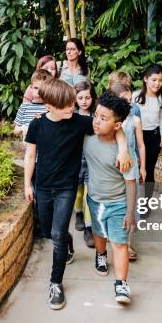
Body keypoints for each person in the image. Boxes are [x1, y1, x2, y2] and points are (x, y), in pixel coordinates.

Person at [24, 78, 131, 310]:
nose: (70, 108)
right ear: (49, 106)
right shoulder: (37, 125)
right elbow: (30, 156)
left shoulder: (79, 122)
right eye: (65, 105)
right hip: (42, 186)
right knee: (52, 231)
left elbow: (116, 126)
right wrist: (27, 184)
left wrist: (123, 149)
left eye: (72, 103)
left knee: (58, 233)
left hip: (66, 188)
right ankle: (67, 241)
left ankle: (55, 283)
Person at [83, 92, 136, 304]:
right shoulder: (87, 136)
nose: (96, 121)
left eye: (103, 119)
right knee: (98, 233)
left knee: (120, 243)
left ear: (117, 125)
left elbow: (130, 182)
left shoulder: (124, 152)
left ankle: (121, 284)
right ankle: (100, 255)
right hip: (94, 199)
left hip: (118, 203)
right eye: (96, 115)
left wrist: (130, 212)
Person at [109, 82, 146, 261]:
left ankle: (129, 243)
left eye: (130, 100)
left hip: (131, 166)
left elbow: (140, 144)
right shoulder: (109, 120)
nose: (129, 103)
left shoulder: (135, 119)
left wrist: (143, 167)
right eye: (125, 100)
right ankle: (114, 237)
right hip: (112, 168)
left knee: (132, 204)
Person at [132, 64, 162, 215]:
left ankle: (145, 204)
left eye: (160, 80)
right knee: (135, 170)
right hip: (136, 137)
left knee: (149, 171)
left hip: (153, 137)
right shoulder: (135, 96)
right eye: (154, 79)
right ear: (146, 79)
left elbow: (160, 119)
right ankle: (131, 203)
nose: (157, 83)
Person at [73, 81, 97, 248]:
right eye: (80, 97)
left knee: (90, 192)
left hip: (92, 160)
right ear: (75, 99)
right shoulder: (71, 116)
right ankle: (79, 213)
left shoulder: (96, 116)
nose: (84, 101)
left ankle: (89, 228)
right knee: (79, 191)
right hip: (75, 160)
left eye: (87, 97)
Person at [14, 70, 50, 139]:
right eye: (36, 88)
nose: (38, 92)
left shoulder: (50, 108)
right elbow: (15, 131)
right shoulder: (24, 107)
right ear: (31, 87)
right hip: (27, 147)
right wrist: (23, 128)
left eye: (42, 89)